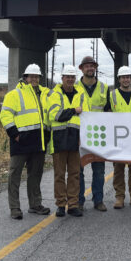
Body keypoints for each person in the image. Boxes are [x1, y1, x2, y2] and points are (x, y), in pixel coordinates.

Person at [0, 63, 51, 220]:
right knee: (14, 175)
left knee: (35, 175)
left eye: (37, 77)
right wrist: (14, 134)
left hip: (39, 141)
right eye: (32, 76)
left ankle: (35, 204)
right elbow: (5, 115)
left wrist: (48, 134)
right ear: (25, 77)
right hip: (20, 142)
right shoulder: (14, 94)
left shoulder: (46, 93)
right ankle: (14, 207)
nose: (34, 79)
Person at [47, 65, 90, 218]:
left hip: (75, 139)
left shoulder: (81, 94)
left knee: (74, 174)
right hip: (59, 139)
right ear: (62, 78)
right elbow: (55, 115)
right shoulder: (54, 94)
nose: (70, 79)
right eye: (67, 77)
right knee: (59, 174)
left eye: (72, 77)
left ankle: (72, 204)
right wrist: (74, 111)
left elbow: (86, 116)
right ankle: (60, 205)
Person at [77, 56, 109, 212]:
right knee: (79, 169)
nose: (90, 68)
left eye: (93, 66)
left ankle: (98, 200)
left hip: (98, 135)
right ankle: (79, 201)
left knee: (99, 169)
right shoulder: (74, 87)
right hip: (80, 135)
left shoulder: (104, 87)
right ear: (81, 69)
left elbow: (109, 111)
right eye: (87, 66)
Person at [110, 65, 131, 209]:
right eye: (123, 77)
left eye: (128, 77)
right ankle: (119, 197)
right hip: (118, 138)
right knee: (118, 169)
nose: (126, 79)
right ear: (119, 79)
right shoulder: (112, 95)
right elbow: (106, 114)